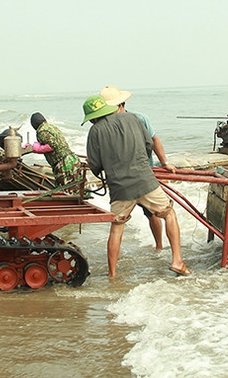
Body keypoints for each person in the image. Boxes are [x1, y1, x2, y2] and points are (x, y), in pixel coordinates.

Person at [82, 94, 191, 277]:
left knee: (117, 227)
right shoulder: (134, 118)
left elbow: (95, 164)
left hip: (120, 188)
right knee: (169, 214)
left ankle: (112, 275)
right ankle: (177, 261)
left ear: (93, 116)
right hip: (145, 181)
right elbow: (148, 144)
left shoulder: (95, 131)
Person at [99, 85, 176, 250]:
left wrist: (164, 163)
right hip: (130, 178)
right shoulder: (106, 124)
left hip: (140, 176)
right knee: (122, 223)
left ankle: (159, 246)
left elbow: (153, 141)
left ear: (119, 105)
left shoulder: (138, 118)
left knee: (151, 214)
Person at [28, 112, 81, 188]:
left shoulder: (42, 131)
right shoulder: (51, 127)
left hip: (64, 164)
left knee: (67, 190)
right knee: (78, 187)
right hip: (72, 159)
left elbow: (53, 145)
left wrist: (39, 149)